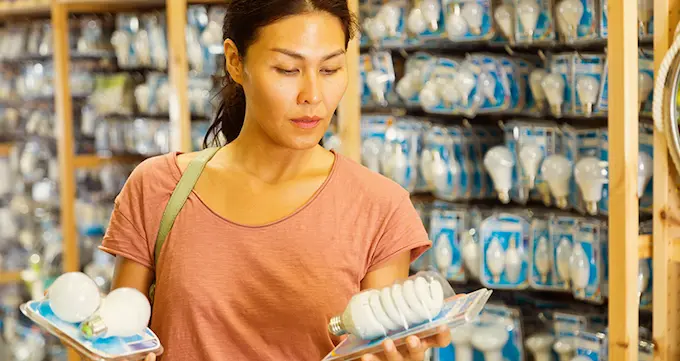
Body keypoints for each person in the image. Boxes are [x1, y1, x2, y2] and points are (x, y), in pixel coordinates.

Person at [100, 1, 452, 360]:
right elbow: (116, 343)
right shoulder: (159, 187)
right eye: (287, 69)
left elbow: (378, 345)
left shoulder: (380, 207)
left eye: (330, 69)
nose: (313, 96)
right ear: (235, 61)